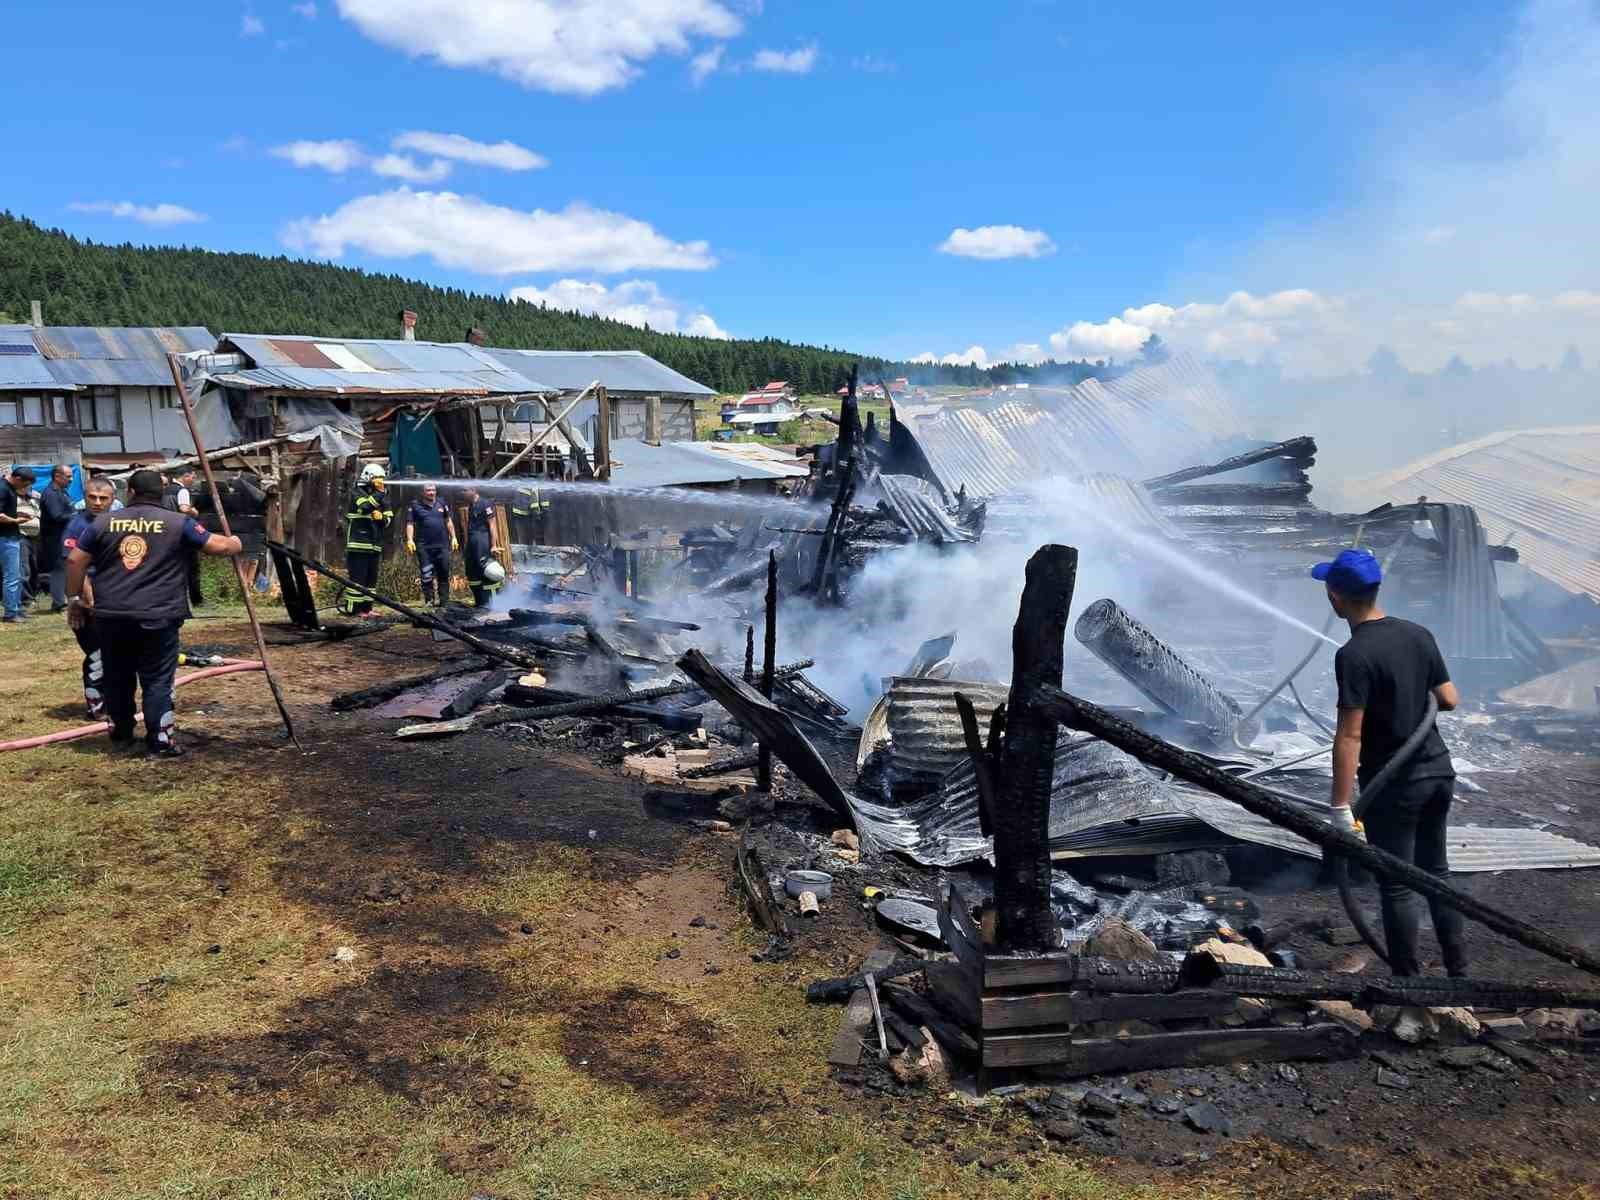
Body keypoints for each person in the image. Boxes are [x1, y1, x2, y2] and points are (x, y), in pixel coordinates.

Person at [1315, 547, 1467, 978]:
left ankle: (1410, 986)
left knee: (1397, 884)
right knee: (1436, 873)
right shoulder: (1418, 633)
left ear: (1335, 596)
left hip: (1395, 786)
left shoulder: (1354, 654)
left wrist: (1341, 808)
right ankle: (1460, 974)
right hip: (1439, 773)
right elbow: (1450, 699)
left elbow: (1350, 735)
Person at [64, 469, 241, 757]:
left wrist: (73, 598)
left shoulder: (103, 523)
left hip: (112, 615)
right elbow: (217, 546)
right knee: (158, 678)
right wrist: (236, 543)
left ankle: (120, 733)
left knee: (117, 675)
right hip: (159, 615)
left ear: (129, 493)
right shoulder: (178, 521)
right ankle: (160, 741)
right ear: (162, 494)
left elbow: (74, 561)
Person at [60, 476, 117, 719]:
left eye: (103, 498)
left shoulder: (118, 522)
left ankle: (114, 701)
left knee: (114, 653)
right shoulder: (76, 525)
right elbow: (74, 564)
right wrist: (83, 598)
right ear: (85, 497)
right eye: (92, 497)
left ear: (112, 500)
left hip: (115, 596)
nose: (97, 502)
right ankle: (96, 705)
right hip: (86, 599)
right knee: (96, 652)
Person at [342, 463, 392, 617]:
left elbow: (389, 518)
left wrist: (382, 518)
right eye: (378, 478)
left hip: (374, 544)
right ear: (369, 477)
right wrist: (378, 493)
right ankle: (353, 609)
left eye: (382, 478)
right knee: (358, 579)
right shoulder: (357, 492)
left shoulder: (382, 495)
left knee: (371, 580)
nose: (381, 481)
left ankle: (367, 609)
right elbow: (364, 507)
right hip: (358, 543)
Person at [404, 483, 458, 607]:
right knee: (427, 575)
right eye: (428, 490)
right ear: (423, 492)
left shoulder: (442, 503)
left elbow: (448, 520)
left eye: (433, 490)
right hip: (424, 547)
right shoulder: (415, 505)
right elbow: (410, 523)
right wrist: (410, 540)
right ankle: (429, 601)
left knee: (443, 574)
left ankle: (444, 602)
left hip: (442, 546)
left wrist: (454, 537)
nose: (432, 493)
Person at [0, 465, 37, 622]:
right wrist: (16, 520)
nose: (25, 488)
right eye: (25, 484)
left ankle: (16, 608)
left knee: (17, 574)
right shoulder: (2, 488)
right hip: (5, 537)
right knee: (11, 576)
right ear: (17, 479)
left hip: (11, 536)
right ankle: (10, 613)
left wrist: (17, 513)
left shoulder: (9, 487)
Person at [164, 467, 205, 607]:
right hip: (181, 533)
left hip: (166, 533)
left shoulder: (165, 490)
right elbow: (184, 508)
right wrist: (194, 511)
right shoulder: (182, 490)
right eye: (193, 477)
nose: (193, 480)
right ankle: (197, 600)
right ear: (185, 476)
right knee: (192, 568)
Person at [39, 465, 76, 612]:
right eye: (68, 476)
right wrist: (77, 515)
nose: (71, 479)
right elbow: (57, 515)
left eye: (71, 476)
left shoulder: (63, 492)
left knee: (65, 568)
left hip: (64, 536)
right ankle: (58, 603)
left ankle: (65, 599)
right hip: (54, 538)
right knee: (58, 569)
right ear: (57, 476)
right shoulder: (51, 493)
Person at [460, 485, 503, 608]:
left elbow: (492, 526)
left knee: (489, 571)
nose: (463, 493)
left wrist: (494, 545)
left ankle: (495, 604)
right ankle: (480, 603)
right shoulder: (471, 505)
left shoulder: (485, 503)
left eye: (465, 490)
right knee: (472, 571)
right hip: (473, 542)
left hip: (482, 541)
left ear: (473, 490)